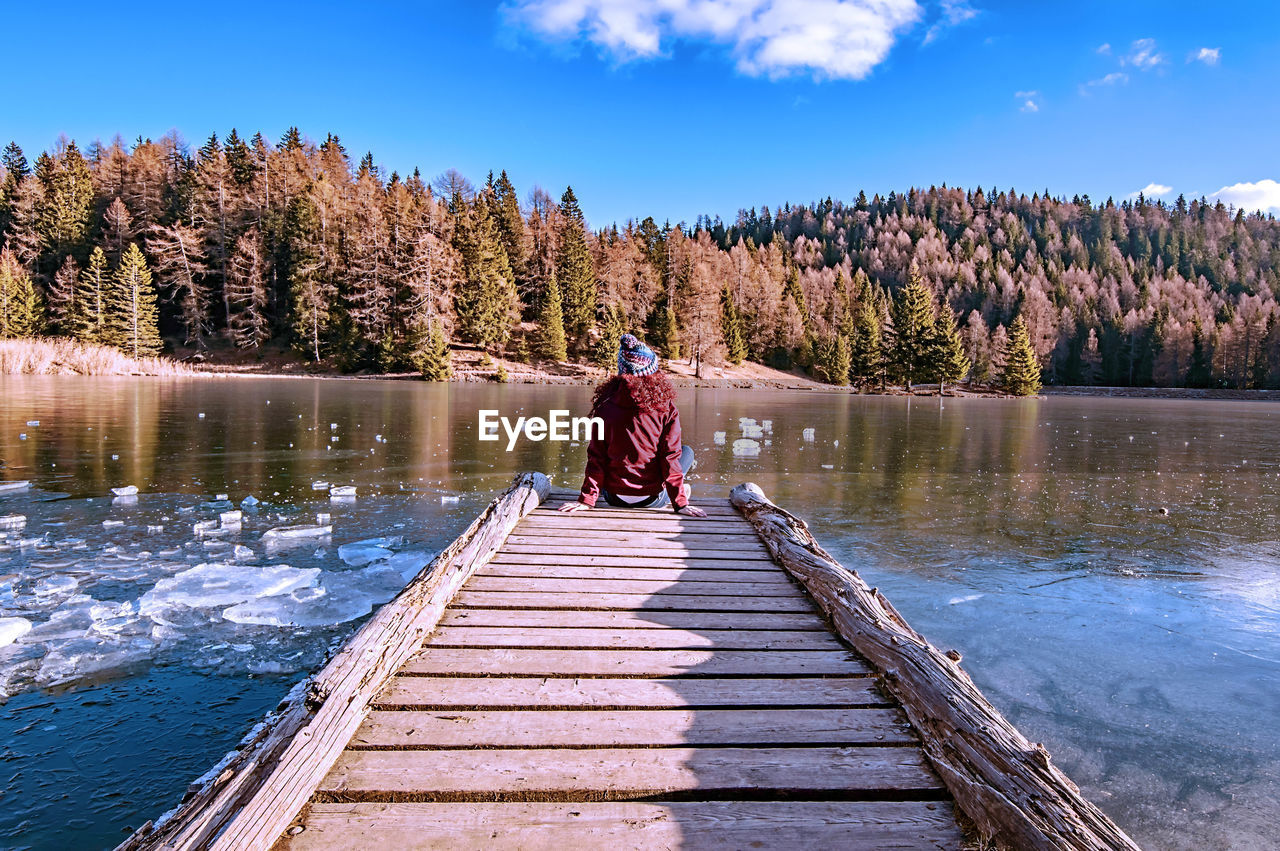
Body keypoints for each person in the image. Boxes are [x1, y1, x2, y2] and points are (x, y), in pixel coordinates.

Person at [560, 334, 706, 517]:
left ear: (621, 371)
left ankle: (673, 493)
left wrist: (587, 501)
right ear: (653, 371)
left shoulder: (605, 406)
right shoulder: (666, 409)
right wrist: (681, 504)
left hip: (613, 497)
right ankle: (674, 495)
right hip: (651, 499)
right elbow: (669, 458)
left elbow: (597, 457)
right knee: (686, 452)